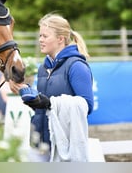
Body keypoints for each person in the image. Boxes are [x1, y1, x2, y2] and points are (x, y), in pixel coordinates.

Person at [10, 13, 94, 162]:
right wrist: (28, 94)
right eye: (40, 36)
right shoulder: (43, 68)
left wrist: (49, 103)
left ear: (60, 39)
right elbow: (44, 106)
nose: (40, 40)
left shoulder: (77, 67)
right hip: (40, 142)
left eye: (45, 36)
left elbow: (85, 106)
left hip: (64, 145)